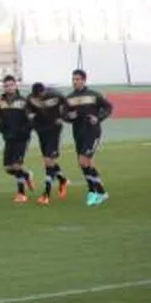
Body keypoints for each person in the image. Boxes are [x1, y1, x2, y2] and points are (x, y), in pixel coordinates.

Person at [63, 69, 113, 206]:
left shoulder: (94, 95)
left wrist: (98, 118)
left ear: (84, 80)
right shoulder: (69, 98)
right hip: (78, 133)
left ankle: (101, 193)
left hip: (92, 132)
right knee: (85, 163)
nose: (75, 81)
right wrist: (69, 117)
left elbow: (108, 107)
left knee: (84, 161)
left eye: (78, 79)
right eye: (73, 79)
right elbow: (64, 115)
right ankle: (93, 191)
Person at [26, 82, 69, 204]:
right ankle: (62, 180)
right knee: (48, 160)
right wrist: (30, 117)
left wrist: (62, 117)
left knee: (48, 161)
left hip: (54, 130)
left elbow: (67, 105)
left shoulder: (56, 95)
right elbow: (27, 110)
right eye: (36, 96)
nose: (38, 98)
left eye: (40, 95)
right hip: (41, 130)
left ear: (44, 91)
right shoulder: (31, 98)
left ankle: (46, 194)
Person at [0, 75, 35, 203]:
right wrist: (2, 131)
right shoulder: (1, 102)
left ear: (15, 86)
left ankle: (21, 194)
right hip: (9, 137)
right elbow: (1, 119)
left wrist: (24, 131)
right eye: (6, 86)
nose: (9, 88)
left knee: (17, 165)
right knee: (8, 168)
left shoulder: (24, 102)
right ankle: (26, 175)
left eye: (11, 85)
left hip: (22, 138)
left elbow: (31, 120)